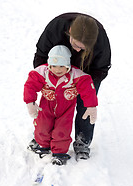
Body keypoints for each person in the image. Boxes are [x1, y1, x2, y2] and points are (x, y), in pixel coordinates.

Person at [33, 12, 111, 160]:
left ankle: (83, 141)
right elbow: (41, 55)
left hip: (85, 73)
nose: (77, 50)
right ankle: (43, 138)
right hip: (58, 69)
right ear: (69, 32)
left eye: (83, 48)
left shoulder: (100, 41)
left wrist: (85, 88)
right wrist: (45, 79)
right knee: (52, 104)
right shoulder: (55, 28)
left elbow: (101, 69)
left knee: (85, 106)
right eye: (75, 45)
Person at [24, 45, 98, 165]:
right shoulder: (43, 72)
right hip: (46, 106)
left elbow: (87, 87)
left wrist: (91, 106)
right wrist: (30, 102)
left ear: (68, 65)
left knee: (62, 130)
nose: (57, 70)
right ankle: (43, 145)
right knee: (42, 126)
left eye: (61, 66)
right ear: (49, 65)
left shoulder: (75, 75)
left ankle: (59, 152)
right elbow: (30, 85)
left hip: (66, 109)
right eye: (54, 66)